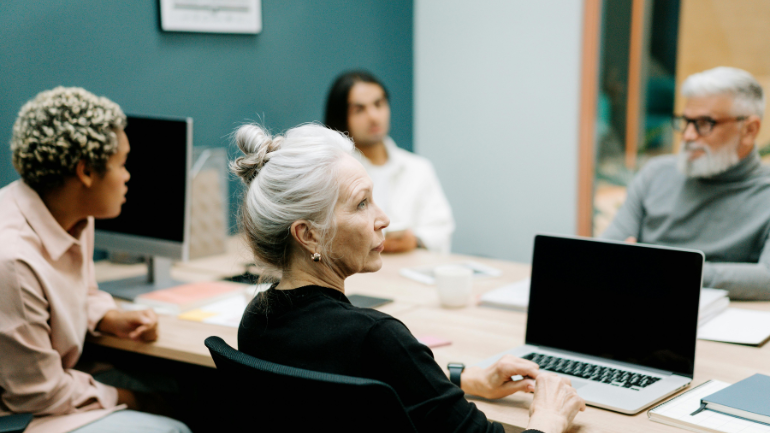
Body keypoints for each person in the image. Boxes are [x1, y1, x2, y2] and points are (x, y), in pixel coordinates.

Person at [234, 123, 585, 433]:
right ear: (308, 234)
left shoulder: (257, 320)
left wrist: (462, 379)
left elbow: (345, 386)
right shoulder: (378, 338)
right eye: (361, 204)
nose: (384, 218)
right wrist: (548, 419)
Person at [0, 87, 190, 433]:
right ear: (85, 172)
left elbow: (79, 291)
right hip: (20, 415)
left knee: (185, 392)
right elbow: (36, 395)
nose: (128, 175)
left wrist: (108, 316)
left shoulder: (72, 216)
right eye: (122, 163)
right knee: (174, 426)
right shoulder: (12, 260)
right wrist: (133, 399)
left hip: (51, 387)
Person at [601, 67, 770, 300]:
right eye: (686, 121)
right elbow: (606, 252)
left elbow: (767, 278)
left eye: (704, 123)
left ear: (749, 130)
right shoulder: (656, 173)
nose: (688, 135)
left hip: (721, 319)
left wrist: (669, 269)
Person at [324, 70, 455, 254]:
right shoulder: (332, 173)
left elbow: (441, 228)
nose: (373, 116)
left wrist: (415, 240)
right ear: (341, 117)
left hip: (411, 272)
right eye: (359, 109)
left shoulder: (418, 168)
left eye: (379, 104)